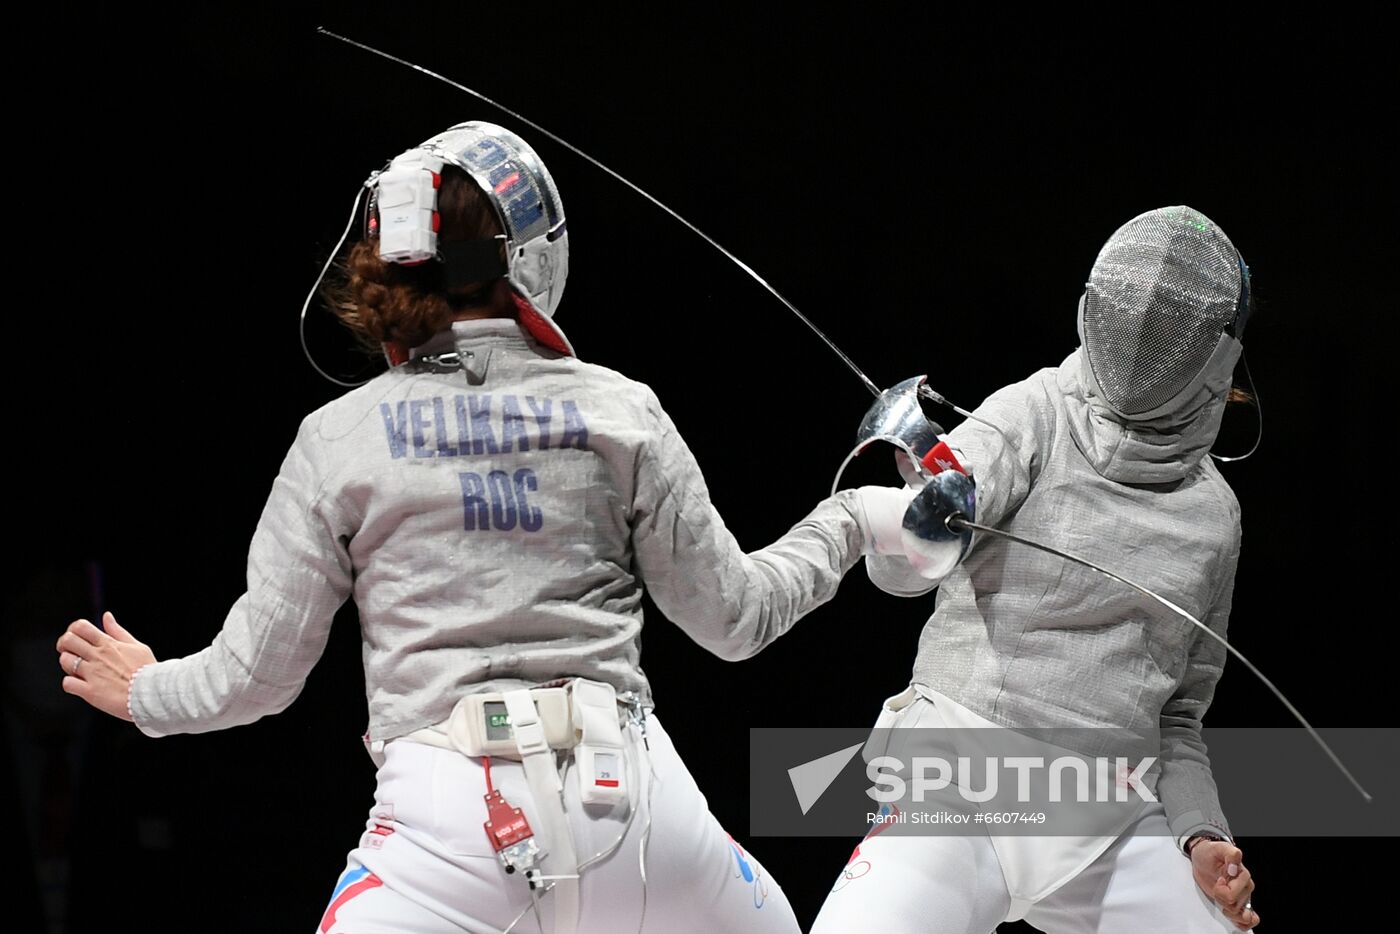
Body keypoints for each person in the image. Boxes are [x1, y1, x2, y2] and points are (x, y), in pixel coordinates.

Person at [54, 121, 914, 934]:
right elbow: (736, 620)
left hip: (448, 836)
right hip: (644, 820)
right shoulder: (622, 412)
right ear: (534, 258)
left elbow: (258, 679)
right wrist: (854, 519)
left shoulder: (339, 439)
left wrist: (145, 692)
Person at [811, 206, 1260, 933]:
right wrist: (917, 521)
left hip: (1108, 820)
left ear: (1216, 355)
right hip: (960, 782)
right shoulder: (1030, 414)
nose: (1144, 331)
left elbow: (1177, 717)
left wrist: (1200, 834)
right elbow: (907, 568)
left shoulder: (1214, 516)